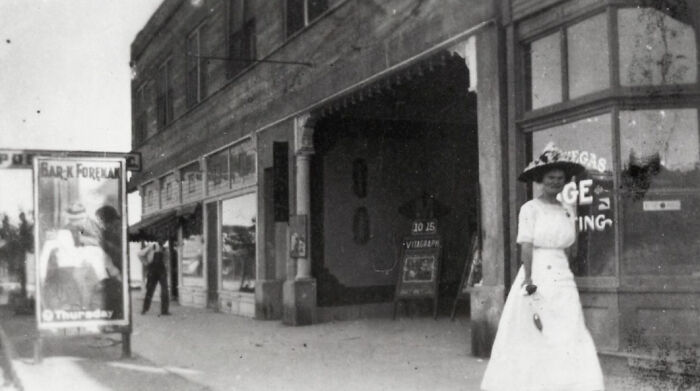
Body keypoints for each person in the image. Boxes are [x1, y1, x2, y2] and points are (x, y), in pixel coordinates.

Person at [481, 143, 604, 391]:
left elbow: (570, 247)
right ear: (540, 179)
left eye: (560, 178)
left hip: (563, 274)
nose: (555, 183)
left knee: (568, 327)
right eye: (550, 178)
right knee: (537, 330)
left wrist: (565, 270)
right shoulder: (530, 209)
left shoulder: (568, 209)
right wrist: (528, 278)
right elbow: (526, 246)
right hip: (538, 271)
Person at [138, 240, 170, 315]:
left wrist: (165, 266)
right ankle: (145, 309)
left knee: (165, 290)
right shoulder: (151, 247)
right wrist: (146, 263)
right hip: (152, 270)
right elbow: (140, 254)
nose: (162, 243)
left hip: (162, 270)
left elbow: (166, 259)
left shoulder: (165, 248)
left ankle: (164, 311)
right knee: (150, 289)